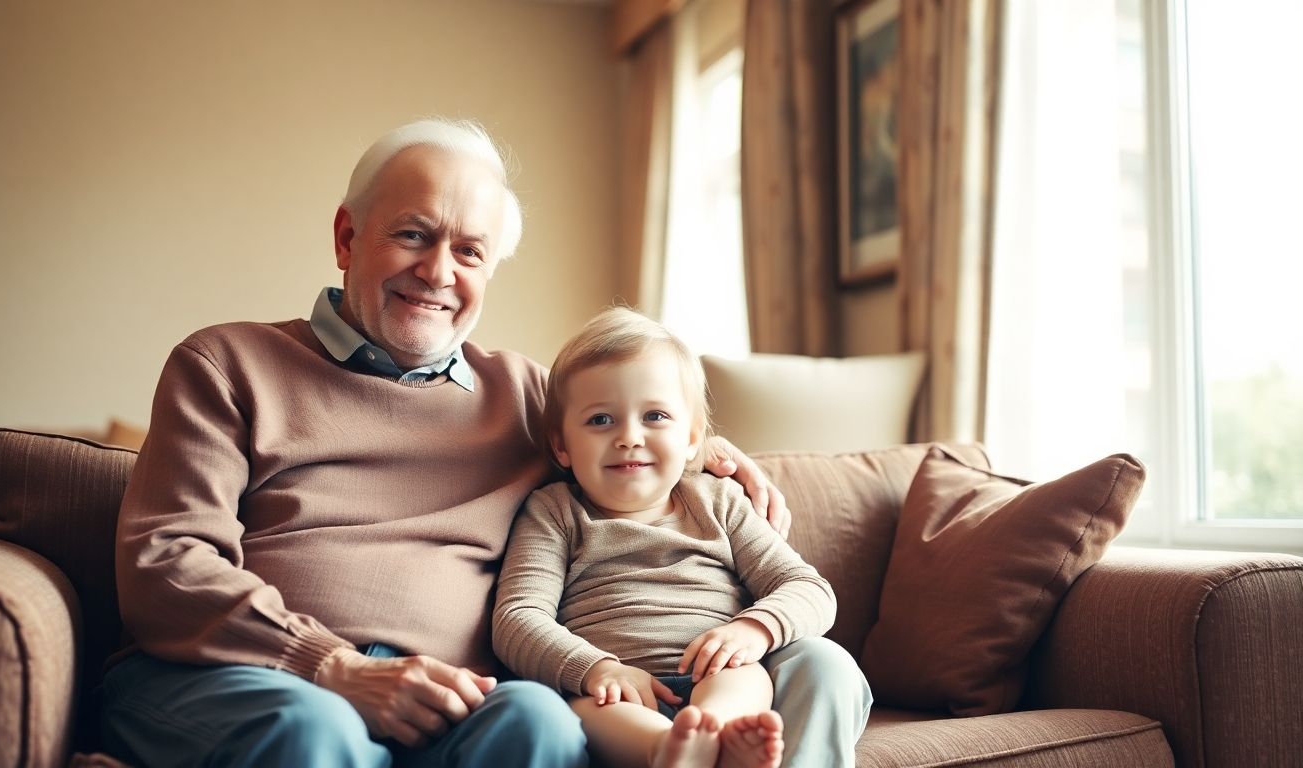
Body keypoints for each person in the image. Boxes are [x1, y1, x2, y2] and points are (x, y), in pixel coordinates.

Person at [100, 117, 869, 767]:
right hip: (252, 678)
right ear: (346, 236)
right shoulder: (228, 364)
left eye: (469, 251)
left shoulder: (524, 395)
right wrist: (328, 665)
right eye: (412, 235)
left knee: (538, 720)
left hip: (450, 697)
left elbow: (626, 432)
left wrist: (716, 457)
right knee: (315, 727)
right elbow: (166, 562)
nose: (437, 271)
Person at [493, 308, 838, 768]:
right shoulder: (554, 512)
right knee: (588, 714)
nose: (629, 437)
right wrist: (597, 668)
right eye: (600, 421)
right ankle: (669, 752)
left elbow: (809, 588)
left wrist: (753, 629)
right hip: (614, 688)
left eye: (655, 415)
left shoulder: (718, 501)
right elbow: (518, 618)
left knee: (746, 677)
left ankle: (713, 733)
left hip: (713, 675)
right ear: (561, 445)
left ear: (694, 438)